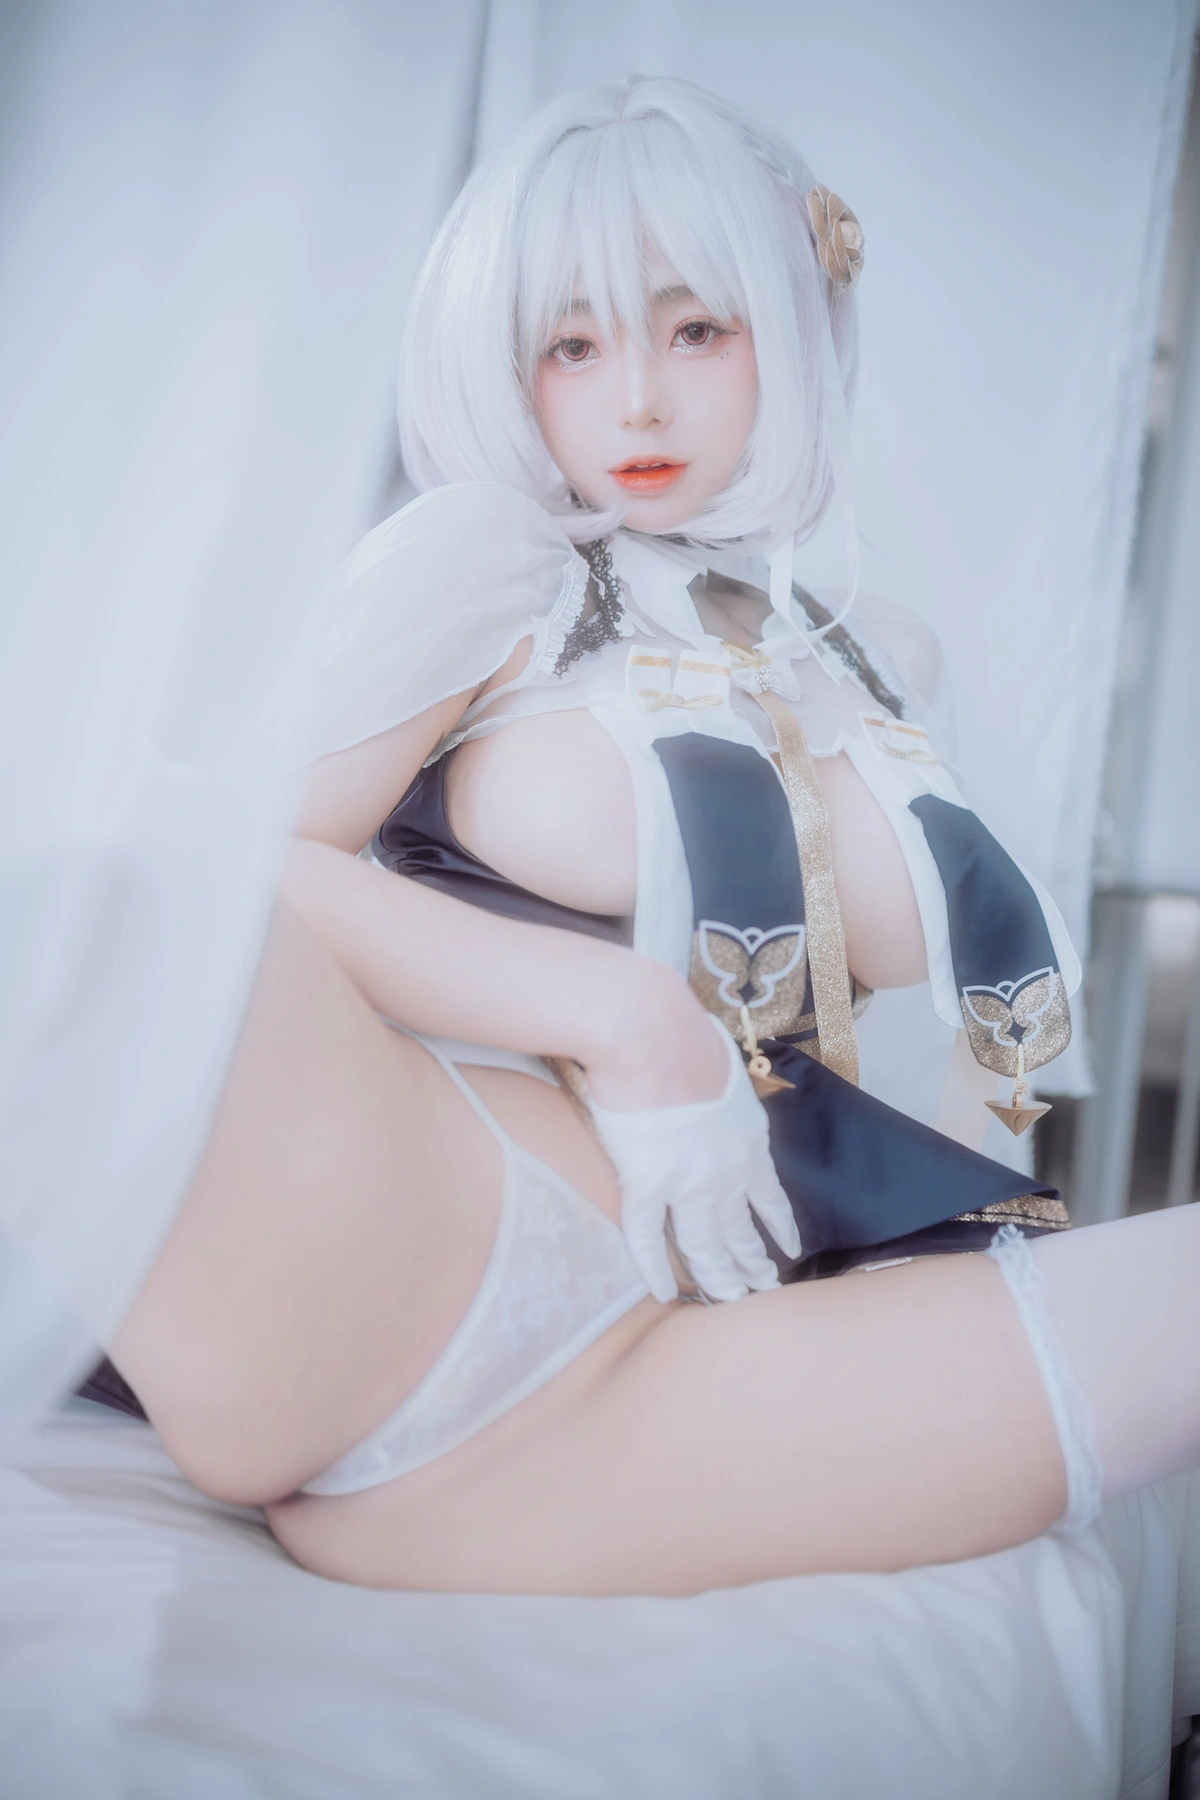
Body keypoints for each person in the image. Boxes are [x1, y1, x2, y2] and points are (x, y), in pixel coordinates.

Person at [103, 77, 1200, 1597]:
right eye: (574, 344)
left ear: (791, 327)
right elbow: (221, 870)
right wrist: (628, 1020)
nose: (636, 402)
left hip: (692, 1343)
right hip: (441, 1249)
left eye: (695, 330)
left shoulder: (885, 655)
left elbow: (892, 1052)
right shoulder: (493, 560)